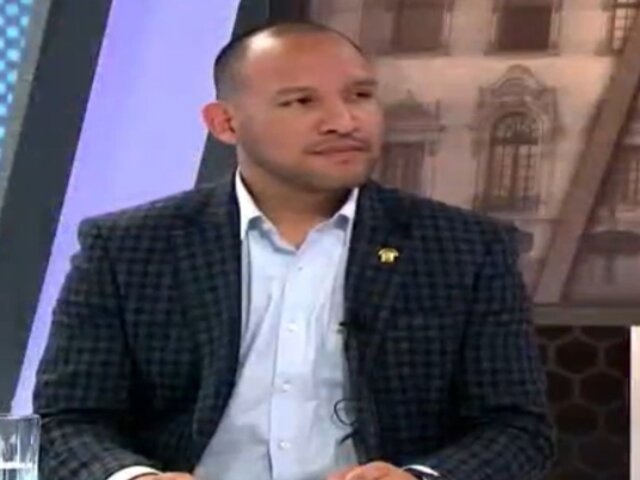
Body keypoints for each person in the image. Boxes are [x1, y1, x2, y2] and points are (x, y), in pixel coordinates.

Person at [34, 20, 555, 480]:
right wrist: (134, 477)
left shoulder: (464, 249)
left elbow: (516, 430)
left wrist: (419, 478)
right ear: (225, 123)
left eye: (360, 95)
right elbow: (68, 422)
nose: (344, 121)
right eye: (302, 102)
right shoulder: (128, 248)